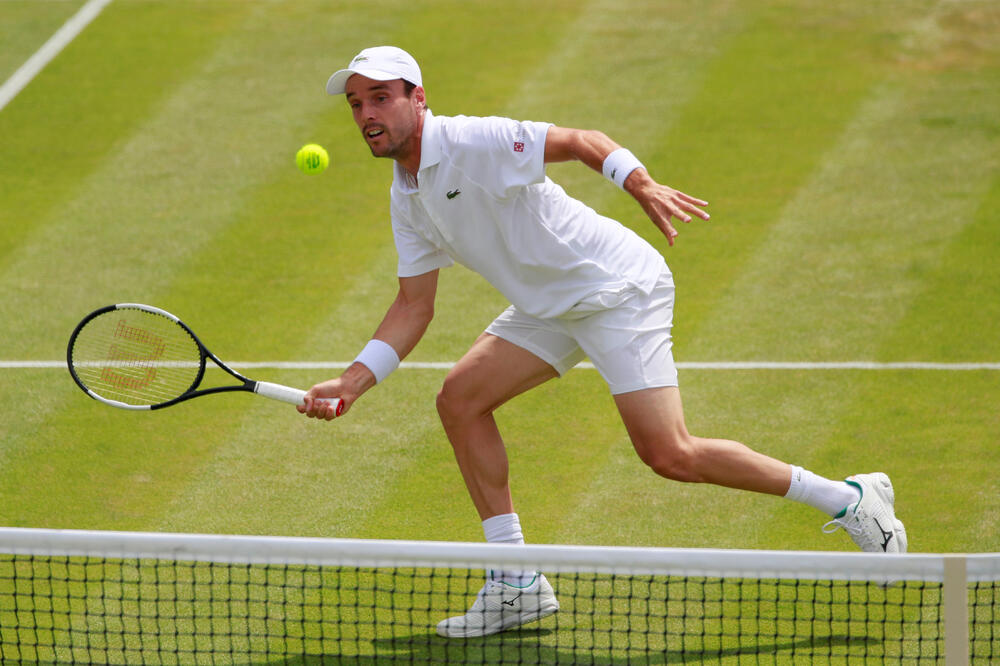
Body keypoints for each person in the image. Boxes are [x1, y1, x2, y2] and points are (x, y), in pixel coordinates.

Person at [300, 46, 907, 638]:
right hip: (547, 308)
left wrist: (639, 183)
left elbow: (581, 140)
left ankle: (849, 499)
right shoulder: (406, 195)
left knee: (669, 454)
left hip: (619, 291)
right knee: (459, 400)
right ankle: (516, 582)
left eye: (380, 98)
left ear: (418, 99)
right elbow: (414, 305)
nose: (366, 116)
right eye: (356, 104)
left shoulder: (472, 142)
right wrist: (355, 380)